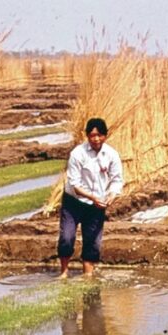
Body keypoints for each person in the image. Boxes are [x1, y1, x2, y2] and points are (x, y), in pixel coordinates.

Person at [58, 117, 123, 278]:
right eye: (92, 135)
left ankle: (88, 274)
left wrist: (112, 196)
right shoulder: (78, 154)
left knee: (92, 240)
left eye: (99, 135)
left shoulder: (112, 155)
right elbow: (74, 184)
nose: (96, 139)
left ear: (105, 136)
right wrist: (92, 197)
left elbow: (117, 179)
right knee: (67, 237)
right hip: (74, 202)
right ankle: (64, 272)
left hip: (97, 204)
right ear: (87, 136)